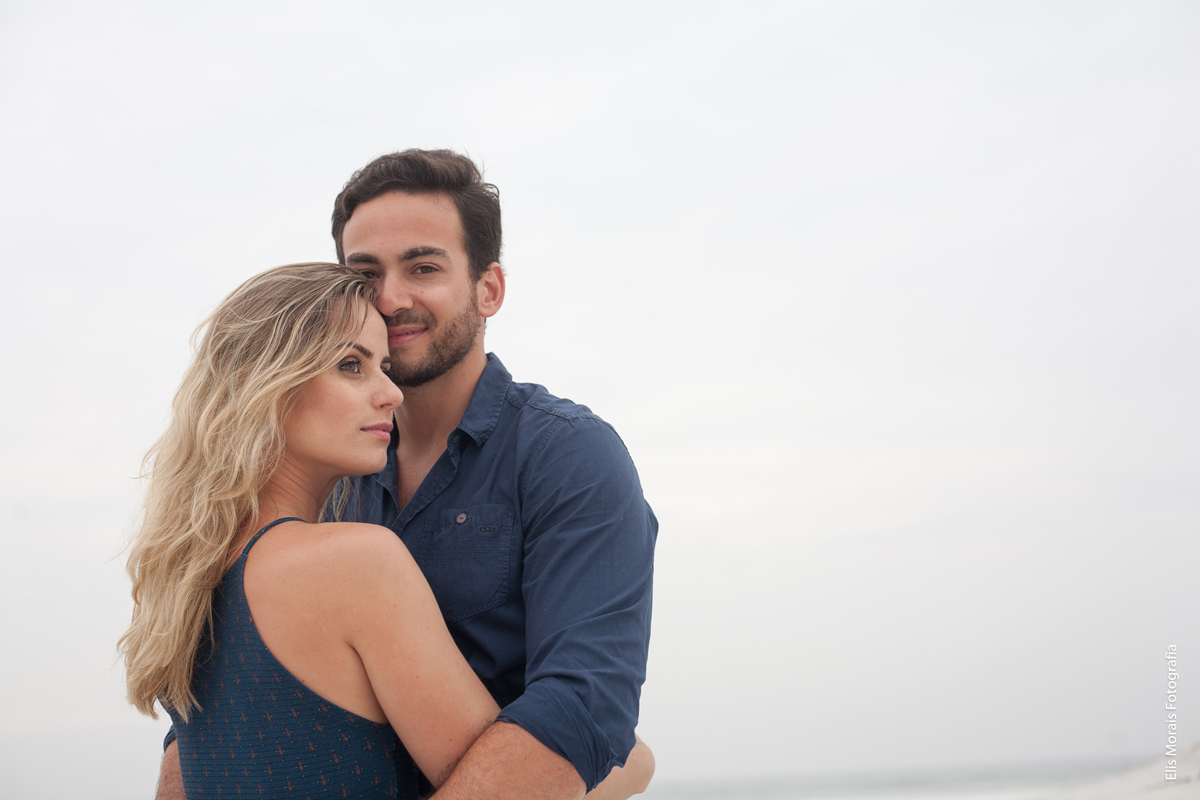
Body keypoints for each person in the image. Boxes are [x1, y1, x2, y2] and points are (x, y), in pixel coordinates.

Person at [156, 149, 658, 800]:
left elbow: (583, 711)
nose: (390, 299)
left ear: (489, 289)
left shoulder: (567, 456)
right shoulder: (325, 480)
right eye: (365, 274)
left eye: (423, 267)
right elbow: (210, 727)